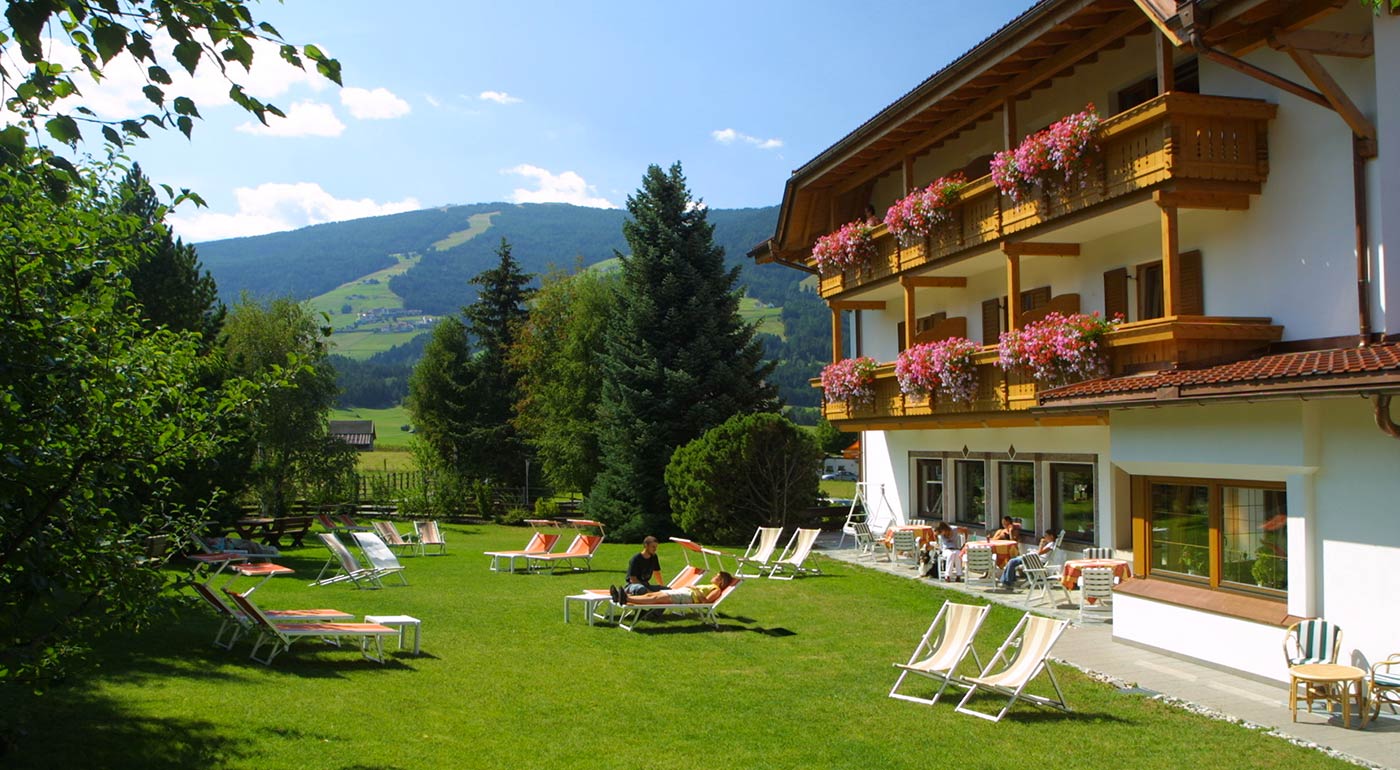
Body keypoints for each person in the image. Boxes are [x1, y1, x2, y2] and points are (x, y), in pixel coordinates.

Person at [610, 572, 734, 606]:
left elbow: (706, 602)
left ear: (721, 581)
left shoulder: (716, 590)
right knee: (652, 594)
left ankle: (625, 599)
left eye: (717, 576)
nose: (713, 577)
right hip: (683, 592)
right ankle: (622, 597)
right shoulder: (711, 586)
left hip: (687, 597)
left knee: (655, 598)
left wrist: (695, 590)